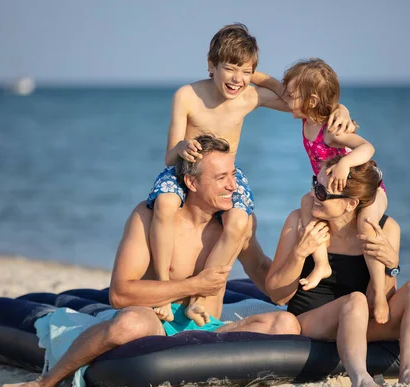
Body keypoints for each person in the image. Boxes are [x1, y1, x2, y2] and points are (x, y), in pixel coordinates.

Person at [0, 135, 301, 387]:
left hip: (209, 329)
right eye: (222, 177)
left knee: (285, 324)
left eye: (233, 174)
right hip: (153, 321)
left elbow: (262, 270)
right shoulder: (147, 217)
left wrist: (300, 266)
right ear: (192, 182)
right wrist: (195, 286)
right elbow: (119, 294)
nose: (233, 186)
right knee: (130, 323)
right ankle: (44, 384)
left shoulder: (233, 224)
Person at [148, 25, 354, 326]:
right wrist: (181, 147)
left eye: (245, 71)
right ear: (210, 65)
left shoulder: (250, 96)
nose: (237, 79)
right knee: (165, 203)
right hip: (184, 169)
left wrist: (341, 108)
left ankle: (199, 297)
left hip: (226, 173)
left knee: (240, 224)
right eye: (229, 69)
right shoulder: (187, 96)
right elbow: (168, 155)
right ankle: (163, 289)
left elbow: (300, 101)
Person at [265, 155, 410, 387]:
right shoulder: (298, 222)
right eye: (315, 184)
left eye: (323, 193)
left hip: (362, 321)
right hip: (314, 320)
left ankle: (409, 374)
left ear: (350, 203)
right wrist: (299, 254)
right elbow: (277, 295)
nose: (313, 195)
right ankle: (361, 379)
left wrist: (390, 266)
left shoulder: (385, 228)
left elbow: (380, 304)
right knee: (355, 301)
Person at [252, 59, 391, 324]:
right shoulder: (306, 117)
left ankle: (379, 291)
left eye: (292, 96)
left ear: (312, 100)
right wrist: (246, 73)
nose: (285, 99)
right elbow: (274, 86)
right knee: (307, 204)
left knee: (367, 223)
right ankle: (322, 264)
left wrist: (346, 164)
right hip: (333, 193)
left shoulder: (331, 131)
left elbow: (367, 148)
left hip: (367, 192)